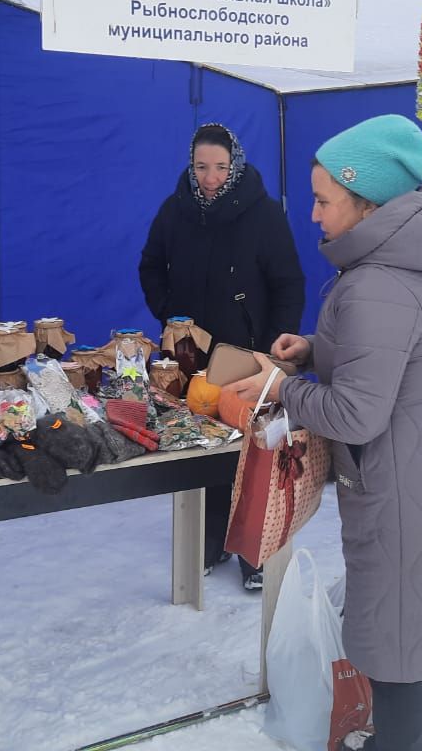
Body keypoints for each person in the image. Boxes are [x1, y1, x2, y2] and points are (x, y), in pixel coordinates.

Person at [225, 115, 422, 751]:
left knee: (398, 659)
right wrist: (319, 349)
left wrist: (278, 386)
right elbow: (401, 352)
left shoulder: (376, 284)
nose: (316, 216)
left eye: (325, 201)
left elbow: (355, 414)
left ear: (367, 200)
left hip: (410, 497)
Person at [139, 122, 305, 591]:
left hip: (248, 354)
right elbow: (150, 265)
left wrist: (273, 345)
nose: (210, 177)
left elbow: (288, 284)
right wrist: (170, 316)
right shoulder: (175, 211)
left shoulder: (264, 214)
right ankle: (209, 543)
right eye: (201, 167)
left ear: (235, 165)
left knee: (254, 451)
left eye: (219, 167)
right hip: (192, 356)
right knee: (203, 447)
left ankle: (255, 553)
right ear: (190, 167)